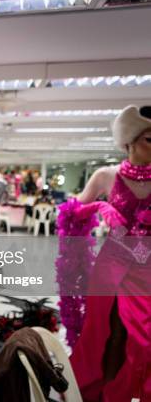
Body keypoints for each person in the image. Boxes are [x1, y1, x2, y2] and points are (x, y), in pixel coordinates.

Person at [57, 105, 151, 401]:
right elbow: (72, 211)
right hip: (111, 266)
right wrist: (101, 207)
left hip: (147, 270)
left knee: (143, 340)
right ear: (130, 140)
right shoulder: (107, 175)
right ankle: (103, 395)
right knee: (104, 335)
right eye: (150, 139)